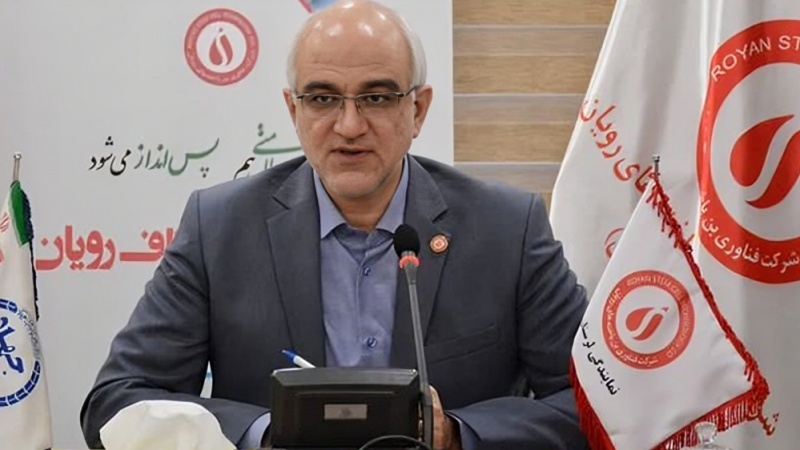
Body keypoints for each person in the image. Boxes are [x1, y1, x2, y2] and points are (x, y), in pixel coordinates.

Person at [80, 1, 588, 448]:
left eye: (376, 97)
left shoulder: (508, 229)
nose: (349, 126)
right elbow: (117, 403)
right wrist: (265, 434)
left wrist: (457, 433)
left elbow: (594, 405)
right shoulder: (219, 229)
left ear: (418, 109)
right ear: (293, 110)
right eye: (323, 98)